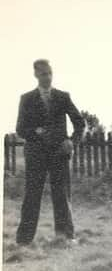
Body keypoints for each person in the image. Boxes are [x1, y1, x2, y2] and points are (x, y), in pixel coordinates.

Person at [15, 59, 85, 246]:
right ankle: (23, 241)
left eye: (49, 73)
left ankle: (65, 238)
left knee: (62, 195)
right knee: (32, 196)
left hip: (59, 154)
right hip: (36, 154)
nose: (47, 77)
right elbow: (20, 129)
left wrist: (72, 141)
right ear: (36, 75)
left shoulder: (63, 96)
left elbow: (80, 122)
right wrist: (35, 132)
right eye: (43, 74)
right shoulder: (27, 99)